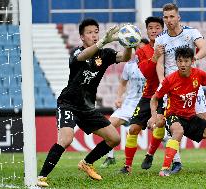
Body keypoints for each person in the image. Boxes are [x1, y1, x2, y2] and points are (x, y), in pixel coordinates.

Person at [37, 18, 133, 187]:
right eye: (89, 33)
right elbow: (83, 56)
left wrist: (129, 42)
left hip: (87, 107)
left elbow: (125, 57)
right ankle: (41, 177)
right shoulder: (76, 52)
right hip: (68, 103)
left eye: (96, 32)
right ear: (82, 37)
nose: (94, 35)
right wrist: (103, 41)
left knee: (114, 138)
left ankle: (86, 163)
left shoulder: (105, 54)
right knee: (66, 139)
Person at [154, 3, 206, 169]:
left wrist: (193, 60)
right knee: (174, 127)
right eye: (165, 17)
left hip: (192, 84)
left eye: (172, 16)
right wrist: (161, 82)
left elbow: (205, 49)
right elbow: (159, 64)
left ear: (178, 17)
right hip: (172, 86)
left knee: (205, 120)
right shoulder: (160, 39)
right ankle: (175, 162)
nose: (169, 20)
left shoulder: (191, 32)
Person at [148, 47, 206, 176]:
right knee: (178, 131)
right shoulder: (169, 80)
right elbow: (154, 99)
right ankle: (165, 168)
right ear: (176, 62)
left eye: (186, 61)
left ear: (192, 61)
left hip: (191, 117)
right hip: (173, 116)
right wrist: (154, 116)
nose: (182, 64)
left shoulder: (198, 74)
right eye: (179, 61)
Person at [119, 16, 167, 174]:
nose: (154, 30)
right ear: (146, 31)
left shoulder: (169, 45)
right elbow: (146, 72)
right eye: (151, 28)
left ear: (162, 29)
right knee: (133, 129)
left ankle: (150, 154)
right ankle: (127, 166)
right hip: (147, 95)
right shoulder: (141, 51)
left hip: (166, 94)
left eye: (157, 27)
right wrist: (155, 56)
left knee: (160, 123)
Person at [100, 38, 148, 168]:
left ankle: (175, 160)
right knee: (108, 126)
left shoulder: (154, 65)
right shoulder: (129, 65)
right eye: (137, 49)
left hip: (147, 103)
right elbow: (122, 83)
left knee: (163, 131)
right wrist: (119, 97)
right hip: (130, 103)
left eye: (142, 49)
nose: (140, 51)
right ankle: (110, 157)